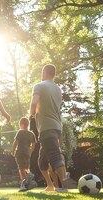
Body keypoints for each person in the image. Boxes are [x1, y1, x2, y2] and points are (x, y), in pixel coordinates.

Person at [30, 64, 68, 192]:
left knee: (55, 156)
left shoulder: (39, 86)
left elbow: (34, 102)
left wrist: (31, 114)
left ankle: (64, 186)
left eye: (42, 72)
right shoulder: (57, 89)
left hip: (47, 127)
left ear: (45, 72)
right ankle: (50, 185)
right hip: (57, 127)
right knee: (42, 162)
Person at [12, 117, 37, 191]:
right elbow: (33, 144)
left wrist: (13, 151)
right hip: (27, 153)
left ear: (22, 124)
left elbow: (15, 143)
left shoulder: (20, 132)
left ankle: (24, 184)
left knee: (21, 168)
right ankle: (28, 182)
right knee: (26, 167)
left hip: (20, 152)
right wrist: (30, 151)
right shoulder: (31, 133)